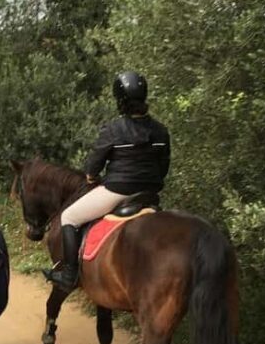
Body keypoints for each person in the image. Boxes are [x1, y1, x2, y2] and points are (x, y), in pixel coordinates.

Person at [46, 71, 171, 291]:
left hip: (116, 191)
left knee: (69, 217)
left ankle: (69, 275)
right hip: (149, 195)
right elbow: (163, 168)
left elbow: (94, 165)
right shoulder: (161, 131)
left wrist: (91, 177)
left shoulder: (112, 130)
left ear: (120, 101)